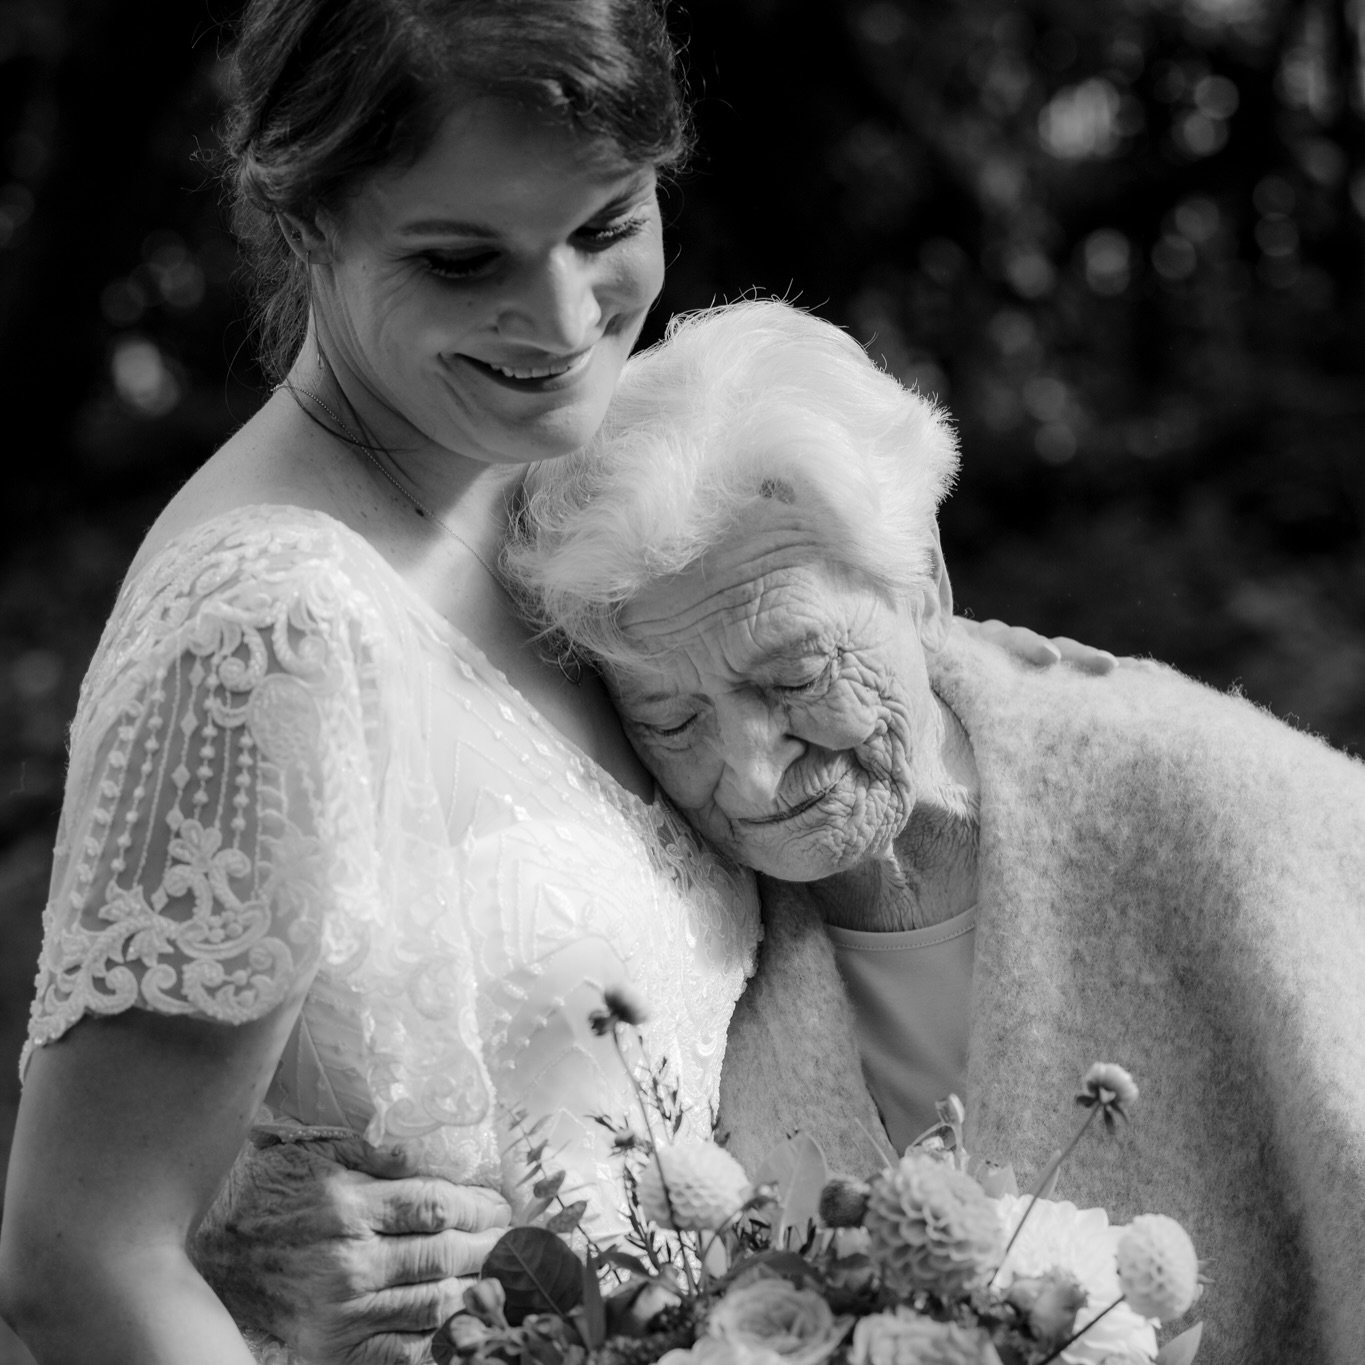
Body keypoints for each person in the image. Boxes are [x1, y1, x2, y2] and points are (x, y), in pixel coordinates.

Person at [0, 6, 1099, 1365]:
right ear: (304, 226)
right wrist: (224, 1244)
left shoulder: (552, 487)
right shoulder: (270, 617)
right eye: (462, 261)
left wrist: (987, 687)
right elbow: (80, 1261)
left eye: (603, 225)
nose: (566, 320)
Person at [505, 299, 1365, 1365]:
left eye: (796, 675)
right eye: (671, 719)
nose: (753, 768)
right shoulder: (662, 920)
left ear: (926, 593)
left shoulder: (1223, 815)